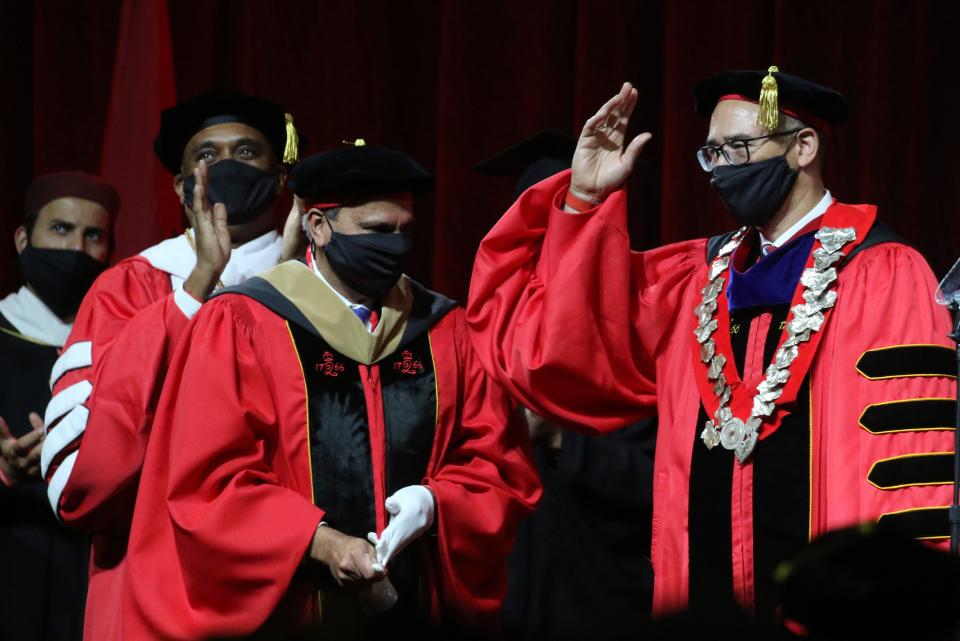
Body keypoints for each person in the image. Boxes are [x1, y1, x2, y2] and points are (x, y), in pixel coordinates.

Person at [466, 68, 957, 621]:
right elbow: (566, 341)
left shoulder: (882, 272)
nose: (720, 170)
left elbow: (906, 465)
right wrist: (585, 197)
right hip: (705, 600)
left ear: (803, 147)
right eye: (711, 154)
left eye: (738, 148)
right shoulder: (695, 279)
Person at [119, 142, 541, 640]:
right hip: (292, 613)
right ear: (318, 227)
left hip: (419, 610)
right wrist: (319, 542)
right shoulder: (243, 323)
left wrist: (437, 505)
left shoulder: (445, 330)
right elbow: (208, 482)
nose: (396, 246)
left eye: (406, 230)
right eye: (378, 231)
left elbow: (497, 463)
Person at [40, 89, 305, 641]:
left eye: (248, 152)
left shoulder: (318, 290)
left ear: (281, 179)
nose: (226, 165)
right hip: (153, 587)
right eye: (206, 155)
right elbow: (81, 480)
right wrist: (195, 289)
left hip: (288, 587)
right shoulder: (129, 287)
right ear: (181, 186)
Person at [475, 130, 657, 639]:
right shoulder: (487, 334)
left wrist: (560, 439)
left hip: (602, 595)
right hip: (501, 598)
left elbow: (660, 484)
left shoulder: (643, 336)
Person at [0, 171, 117, 641]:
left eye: (94, 236)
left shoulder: (117, 348)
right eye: (61, 229)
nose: (76, 250)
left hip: (91, 568)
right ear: (24, 238)